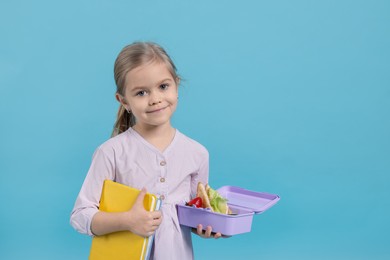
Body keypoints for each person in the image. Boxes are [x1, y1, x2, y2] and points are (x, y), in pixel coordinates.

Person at [70, 41, 221, 259]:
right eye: (141, 93)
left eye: (163, 86)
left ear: (176, 85)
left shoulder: (197, 153)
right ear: (124, 101)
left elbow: (191, 215)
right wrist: (127, 221)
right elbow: (80, 216)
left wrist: (208, 227)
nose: (156, 99)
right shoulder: (111, 152)